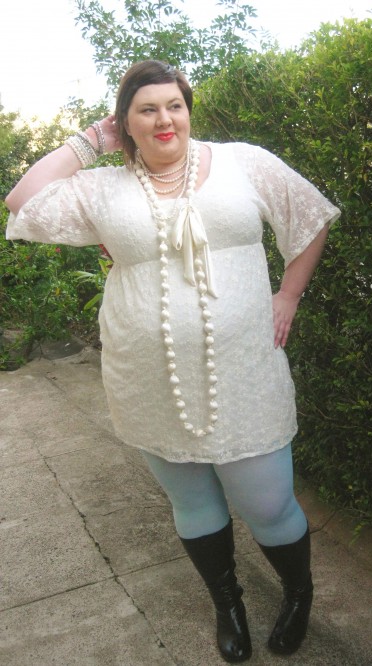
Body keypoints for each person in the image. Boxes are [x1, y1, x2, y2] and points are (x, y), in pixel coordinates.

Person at [5, 60, 340, 663]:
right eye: (147, 109)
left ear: (188, 110)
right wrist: (89, 143)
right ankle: (227, 603)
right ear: (125, 122)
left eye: (175, 105)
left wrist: (287, 294)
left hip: (244, 369)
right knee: (193, 503)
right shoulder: (104, 187)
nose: (165, 119)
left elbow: (308, 216)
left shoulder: (243, 162)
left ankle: (298, 593)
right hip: (146, 373)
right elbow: (21, 201)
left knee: (268, 504)